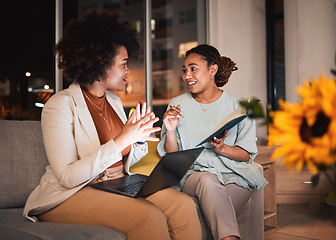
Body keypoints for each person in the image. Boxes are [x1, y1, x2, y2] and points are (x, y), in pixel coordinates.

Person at [23, 9, 202, 240]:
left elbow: (124, 160)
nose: (128, 71)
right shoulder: (60, 105)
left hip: (115, 184)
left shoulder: (114, 101)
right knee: (148, 216)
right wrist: (122, 140)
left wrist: (137, 139)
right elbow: (67, 177)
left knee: (183, 206)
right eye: (123, 64)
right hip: (71, 193)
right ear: (100, 64)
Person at [157, 44, 268, 240]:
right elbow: (173, 159)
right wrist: (171, 131)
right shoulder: (177, 104)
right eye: (184, 70)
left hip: (235, 176)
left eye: (193, 68)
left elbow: (246, 154)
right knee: (207, 180)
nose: (187, 76)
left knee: (210, 216)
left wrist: (222, 148)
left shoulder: (239, 106)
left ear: (213, 69)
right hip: (194, 177)